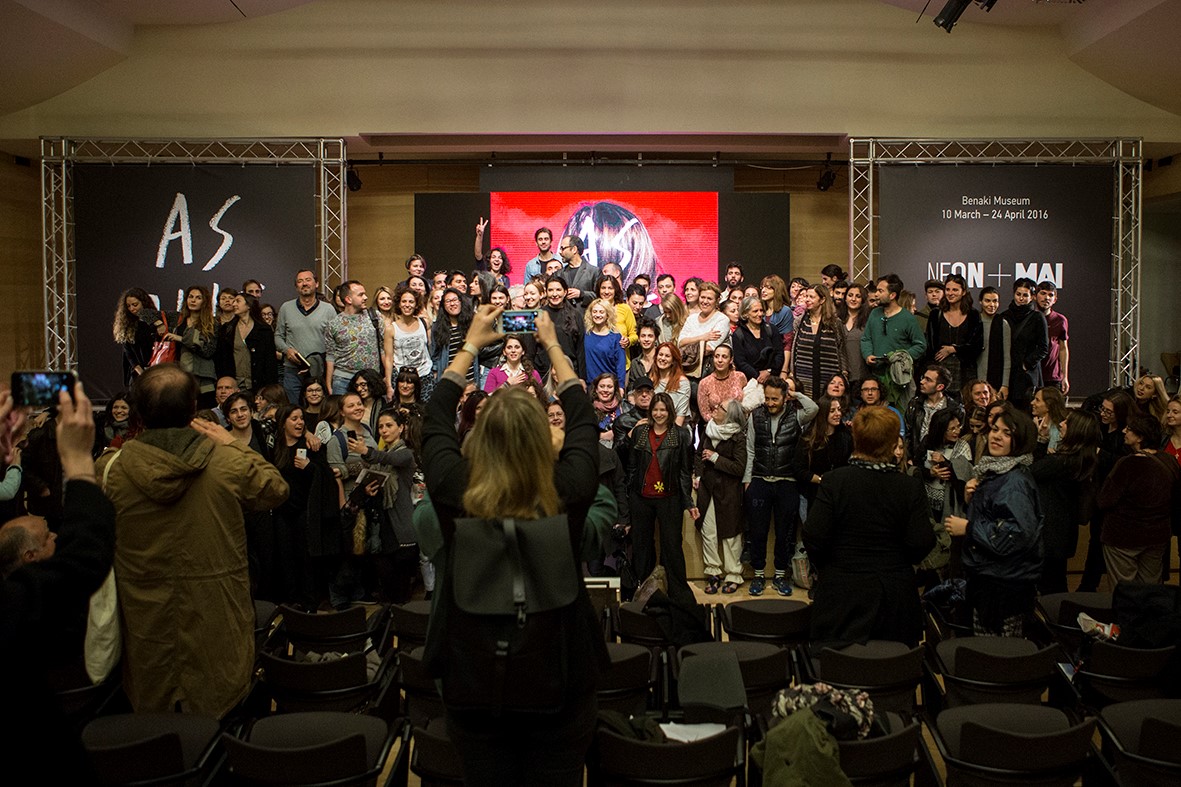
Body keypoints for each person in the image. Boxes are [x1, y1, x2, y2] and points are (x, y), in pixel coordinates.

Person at [419, 304, 606, 786]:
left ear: (478, 439)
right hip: (561, 690)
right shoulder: (568, 490)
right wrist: (553, 345)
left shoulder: (454, 488)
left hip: (474, 692)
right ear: (546, 440)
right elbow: (583, 418)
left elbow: (435, 417)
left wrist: (469, 345)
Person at [97, 364, 289, 716]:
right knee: (220, 717)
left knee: (155, 731)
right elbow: (275, 488)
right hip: (217, 621)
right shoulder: (226, 461)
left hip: (146, 626)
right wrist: (231, 443)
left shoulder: (112, 470)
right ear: (192, 409)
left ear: (137, 412)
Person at [0, 381, 118, 780]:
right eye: (48, 537)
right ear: (30, 558)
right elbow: (83, 559)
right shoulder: (16, 607)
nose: (52, 536)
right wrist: (79, 465)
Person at [803, 406, 934, 648]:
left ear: (856, 440)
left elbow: (813, 536)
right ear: (893, 444)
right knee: (893, 665)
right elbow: (922, 541)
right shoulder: (909, 487)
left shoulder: (834, 482)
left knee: (838, 665)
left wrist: (832, 565)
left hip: (841, 594)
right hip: (894, 597)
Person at [945, 408, 1042, 637]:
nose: (997, 436)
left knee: (997, 652)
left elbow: (1016, 534)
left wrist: (968, 528)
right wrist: (971, 500)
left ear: (1020, 440)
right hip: (990, 579)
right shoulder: (995, 471)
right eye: (995, 429)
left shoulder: (1014, 481)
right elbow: (995, 516)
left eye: (1007, 433)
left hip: (1004, 586)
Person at [617, 391, 697, 604]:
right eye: (655, 409)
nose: (659, 414)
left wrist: (688, 502)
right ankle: (643, 592)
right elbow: (632, 466)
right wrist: (629, 497)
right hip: (641, 497)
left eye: (663, 410)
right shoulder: (640, 432)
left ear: (670, 411)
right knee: (641, 546)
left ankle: (678, 595)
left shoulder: (681, 434)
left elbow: (684, 471)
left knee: (672, 546)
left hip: (670, 498)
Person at [743, 376, 819, 596]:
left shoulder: (796, 415)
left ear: (785, 398)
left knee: (784, 533)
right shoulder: (756, 415)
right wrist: (747, 480)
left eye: (775, 399)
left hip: (787, 481)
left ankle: (779, 575)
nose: (770, 403)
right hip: (759, 480)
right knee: (757, 531)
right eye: (767, 398)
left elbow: (813, 409)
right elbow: (750, 449)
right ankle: (758, 575)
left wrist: (795, 394)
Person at [1098, 414, 1181, 585]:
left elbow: (1104, 500)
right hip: (1157, 535)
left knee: (1124, 590)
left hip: (1124, 537)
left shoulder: (1127, 464)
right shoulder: (1169, 460)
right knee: (1151, 588)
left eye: (1129, 429)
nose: (1124, 431)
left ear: (1140, 437)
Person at [269, 404, 335, 610]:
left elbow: (326, 476)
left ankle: (310, 602)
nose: (299, 423)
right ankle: (291, 601)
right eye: (294, 419)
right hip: (282, 512)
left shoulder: (311, 446)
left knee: (306, 558)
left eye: (301, 419)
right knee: (285, 557)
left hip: (305, 512)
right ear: (283, 423)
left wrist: (309, 467)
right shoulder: (274, 447)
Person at [1031, 410, 1100, 594]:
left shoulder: (1061, 462)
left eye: (1067, 422)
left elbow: (1030, 472)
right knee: (1056, 582)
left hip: (1050, 532)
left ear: (1076, 431)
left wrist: (1040, 441)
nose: (1061, 424)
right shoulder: (1082, 459)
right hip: (1064, 532)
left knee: (1049, 587)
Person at [697, 399, 748, 595]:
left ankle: (733, 574)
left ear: (730, 415)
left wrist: (716, 458)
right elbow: (698, 455)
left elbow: (739, 468)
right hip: (707, 489)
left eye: (721, 408)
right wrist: (698, 475)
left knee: (730, 534)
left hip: (729, 491)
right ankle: (713, 572)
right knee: (708, 531)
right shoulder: (708, 429)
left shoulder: (738, 437)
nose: (715, 408)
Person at [860, 273, 927, 409]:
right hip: (877, 377)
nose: (876, 294)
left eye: (880, 291)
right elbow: (866, 338)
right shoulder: (874, 314)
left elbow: (920, 345)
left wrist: (901, 357)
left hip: (899, 379)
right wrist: (867, 354)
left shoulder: (908, 318)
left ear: (892, 295)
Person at [275, 269, 336, 404]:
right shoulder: (286, 308)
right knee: (294, 409)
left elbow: (334, 342)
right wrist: (286, 350)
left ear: (316, 284)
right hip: (292, 370)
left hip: (318, 370)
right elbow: (278, 336)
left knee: (317, 408)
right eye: (300, 281)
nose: (304, 284)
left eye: (308, 280)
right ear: (296, 286)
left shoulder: (328, 309)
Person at [924, 274, 982, 394]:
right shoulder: (935, 314)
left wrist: (953, 349)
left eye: (955, 290)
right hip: (940, 372)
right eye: (948, 289)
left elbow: (976, 346)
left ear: (963, 292)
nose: (950, 293)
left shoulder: (973, 315)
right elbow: (930, 346)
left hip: (966, 372)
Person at [162, 286, 219, 408]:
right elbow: (145, 313)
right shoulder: (178, 320)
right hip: (181, 375)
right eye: (190, 297)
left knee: (204, 412)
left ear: (204, 302)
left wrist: (181, 339)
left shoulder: (212, 323)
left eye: (198, 298)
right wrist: (158, 324)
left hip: (203, 378)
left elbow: (208, 351)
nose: (193, 300)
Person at [325, 280, 384, 397]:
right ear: (348, 299)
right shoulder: (334, 324)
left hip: (371, 378)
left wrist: (387, 377)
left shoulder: (374, 317)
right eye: (361, 295)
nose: (366, 297)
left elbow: (383, 349)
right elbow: (330, 356)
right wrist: (328, 383)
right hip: (343, 379)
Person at [790, 284, 848, 398]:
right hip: (803, 376)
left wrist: (844, 373)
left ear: (822, 300)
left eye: (811, 297)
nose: (807, 300)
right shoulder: (799, 321)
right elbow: (794, 349)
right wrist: (792, 372)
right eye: (806, 296)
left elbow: (842, 349)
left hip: (829, 377)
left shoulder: (835, 323)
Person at [1000, 278, 1049, 411]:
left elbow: (1044, 348)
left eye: (1025, 295)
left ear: (1032, 297)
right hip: (1008, 374)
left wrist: (1026, 364)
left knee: (1028, 411)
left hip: (1027, 375)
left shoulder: (1037, 318)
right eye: (1018, 294)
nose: (1021, 298)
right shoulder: (1004, 316)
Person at [222, 292, 278, 394]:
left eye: (238, 301)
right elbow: (222, 359)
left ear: (248, 305)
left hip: (259, 384)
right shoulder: (228, 329)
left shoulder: (264, 330)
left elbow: (270, 362)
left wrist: (270, 389)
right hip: (234, 384)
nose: (233, 304)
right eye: (234, 301)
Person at [113, 287, 165, 387]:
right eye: (128, 306)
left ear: (143, 303)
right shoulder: (127, 325)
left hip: (159, 370)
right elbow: (129, 354)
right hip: (138, 373)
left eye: (135, 305)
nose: (132, 309)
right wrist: (142, 373)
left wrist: (159, 325)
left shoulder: (157, 321)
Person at [732, 296, 785, 386]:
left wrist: (769, 372)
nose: (760, 314)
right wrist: (758, 375)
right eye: (755, 311)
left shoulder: (771, 329)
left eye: (761, 310)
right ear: (745, 314)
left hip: (772, 380)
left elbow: (779, 353)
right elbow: (740, 361)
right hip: (750, 382)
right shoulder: (738, 335)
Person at [904, 364, 952, 459]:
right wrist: (909, 458)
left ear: (940, 387)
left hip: (941, 458)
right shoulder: (915, 404)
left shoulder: (951, 408)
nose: (922, 382)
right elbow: (908, 434)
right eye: (923, 378)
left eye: (928, 380)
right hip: (916, 458)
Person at [975, 286, 1012, 399]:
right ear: (980, 302)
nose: (992, 305)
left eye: (995, 301)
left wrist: (1005, 385)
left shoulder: (1003, 324)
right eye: (987, 301)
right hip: (973, 379)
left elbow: (1007, 357)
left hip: (995, 382)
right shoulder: (973, 321)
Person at [697, 344, 747, 425]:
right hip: (715, 427)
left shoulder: (740, 377)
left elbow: (746, 402)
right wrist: (722, 425)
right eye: (717, 356)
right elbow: (705, 413)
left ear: (731, 360)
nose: (720, 360)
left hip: (739, 425)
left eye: (724, 357)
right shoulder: (705, 383)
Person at [1035, 281, 1070, 394]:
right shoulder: (1029, 318)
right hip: (1033, 374)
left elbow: (1063, 348)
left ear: (1055, 299)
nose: (1046, 298)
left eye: (1050, 295)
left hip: (1053, 377)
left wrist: (1065, 377)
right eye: (1043, 293)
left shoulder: (1060, 320)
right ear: (1035, 296)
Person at [583, 298, 627, 386]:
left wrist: (621, 385)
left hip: (609, 385)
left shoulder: (615, 337)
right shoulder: (586, 334)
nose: (597, 315)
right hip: (590, 385)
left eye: (601, 312)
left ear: (607, 315)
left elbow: (620, 364)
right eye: (595, 312)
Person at [650, 342, 691, 425]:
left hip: (676, 427)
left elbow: (680, 415)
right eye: (660, 355)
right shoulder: (651, 380)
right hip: (655, 425)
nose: (663, 358)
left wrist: (671, 433)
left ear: (673, 360)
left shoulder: (682, 383)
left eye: (667, 356)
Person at [840, 283, 871, 385]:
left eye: (858, 296)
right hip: (839, 374)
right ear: (845, 298)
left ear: (863, 300)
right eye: (850, 295)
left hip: (861, 374)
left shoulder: (868, 321)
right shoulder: (837, 319)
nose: (853, 299)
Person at [557, 234, 600, 309]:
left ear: (574, 249)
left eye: (563, 248)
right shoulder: (559, 274)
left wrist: (582, 294)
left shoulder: (594, 272)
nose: (560, 252)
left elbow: (600, 296)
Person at [1031, 386, 1068, 452]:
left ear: (1049, 405)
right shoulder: (1036, 422)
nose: (1032, 402)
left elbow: (1050, 455)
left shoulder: (1057, 430)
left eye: (1037, 400)